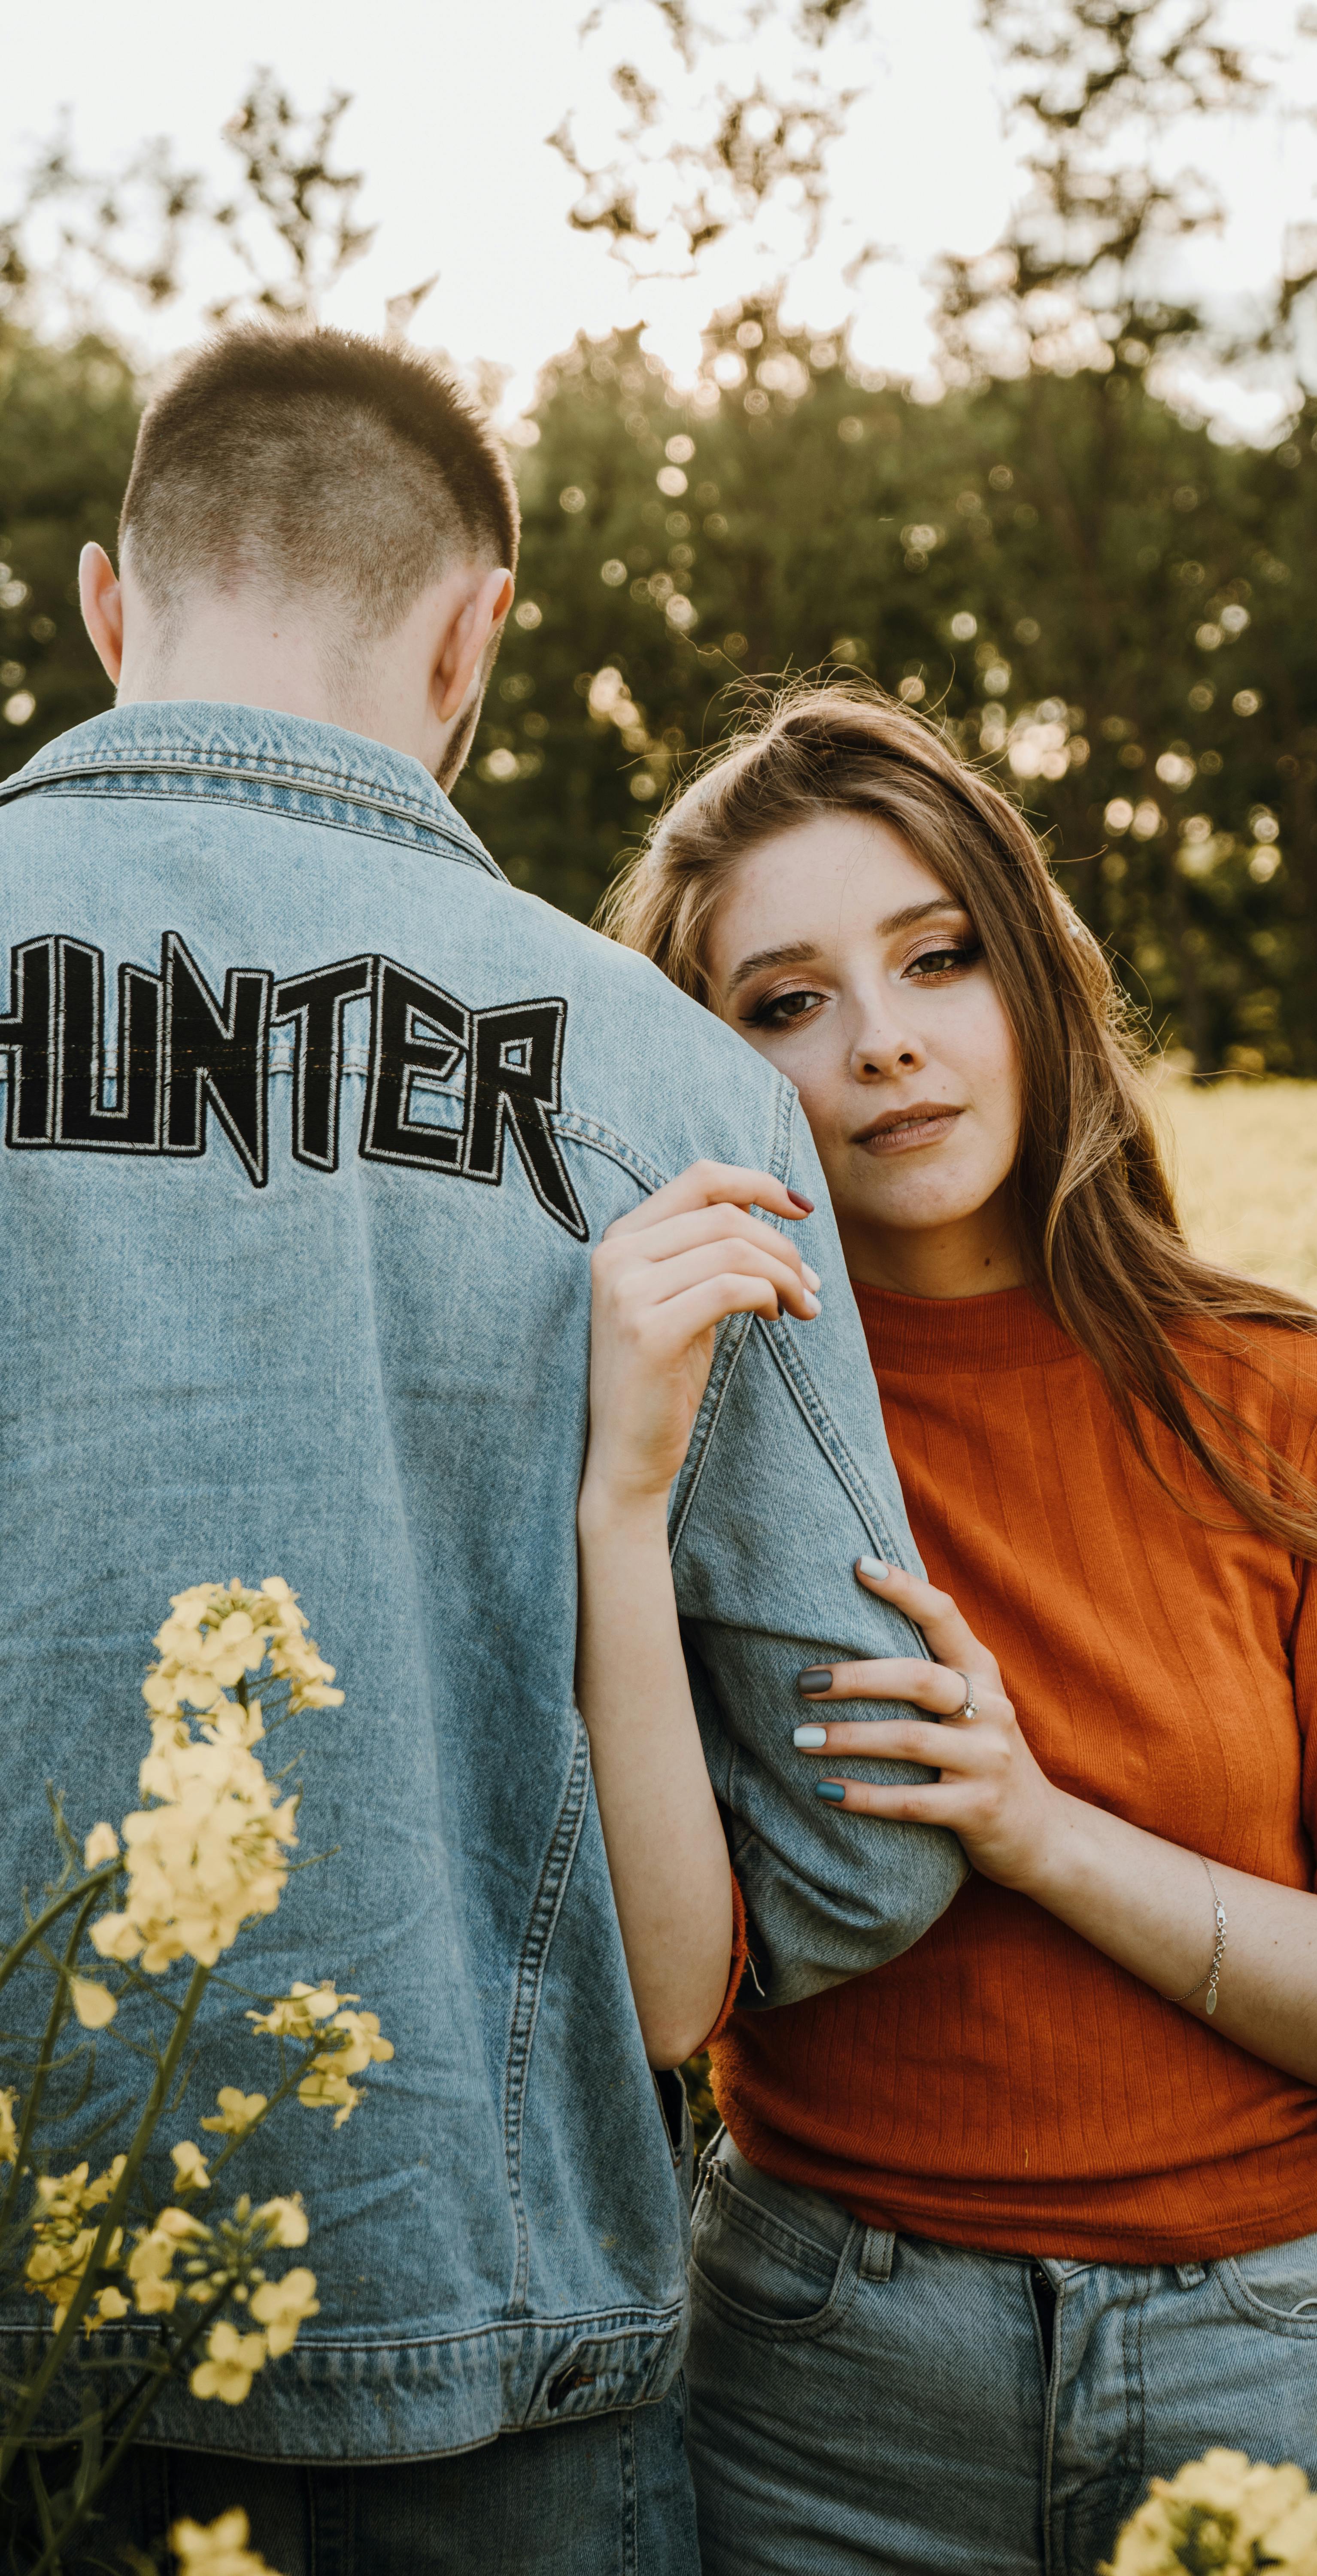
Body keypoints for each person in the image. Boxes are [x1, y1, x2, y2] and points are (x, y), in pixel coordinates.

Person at [0, 341, 964, 2574]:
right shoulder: (676, 1089)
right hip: (479, 2366)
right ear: (474, 633)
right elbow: (855, 1847)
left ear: (106, 610)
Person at [592, 683, 1317, 2576]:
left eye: (935, 957)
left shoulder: (1293, 1403)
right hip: (824, 2374)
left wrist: (1039, 1833)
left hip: (1272, 2372)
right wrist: (619, 1498)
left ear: (1031, 969)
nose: (881, 1047)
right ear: (708, 1067)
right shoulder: (694, 1424)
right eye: (785, 1004)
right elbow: (678, 2004)